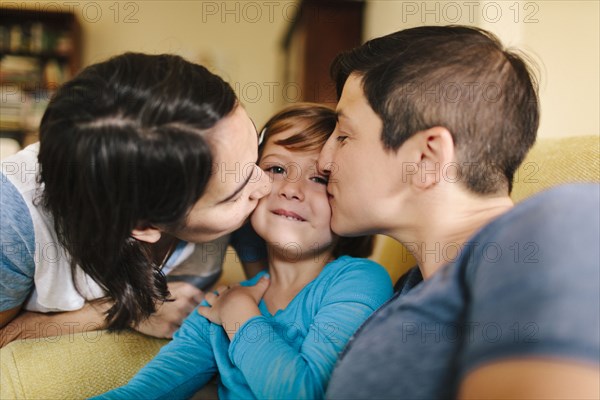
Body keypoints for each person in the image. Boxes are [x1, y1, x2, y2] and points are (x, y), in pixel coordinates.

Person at [316, 26, 600, 399]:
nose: (323, 161)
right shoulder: (408, 288)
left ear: (426, 157)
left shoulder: (556, 224)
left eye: (343, 135)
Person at [94, 103, 393, 399]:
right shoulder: (218, 304)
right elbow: (142, 393)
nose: (291, 188)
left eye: (318, 178)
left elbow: (306, 394)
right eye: (276, 169)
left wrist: (239, 315)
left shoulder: (360, 280)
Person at [0, 52, 273, 347]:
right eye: (235, 195)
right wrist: (124, 311)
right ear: (142, 224)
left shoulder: (240, 176)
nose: (265, 184)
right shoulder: (13, 216)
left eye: (256, 147)